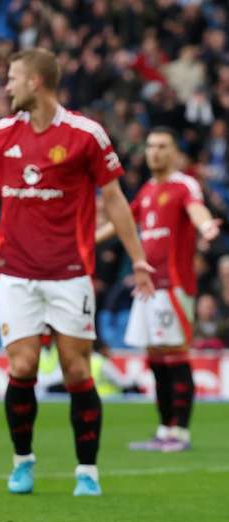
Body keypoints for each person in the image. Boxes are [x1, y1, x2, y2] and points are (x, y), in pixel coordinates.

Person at [0, 48, 154, 497]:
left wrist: (136, 259)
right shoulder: (0, 135)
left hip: (69, 272)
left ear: (36, 82)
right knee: (22, 366)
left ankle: (87, 470)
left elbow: (115, 201)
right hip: (14, 272)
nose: (6, 86)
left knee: (77, 370)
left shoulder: (86, 135)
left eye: (13, 78)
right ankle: (22, 462)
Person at [97, 127, 221, 452]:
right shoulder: (148, 190)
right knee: (155, 360)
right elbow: (123, 221)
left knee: (176, 357)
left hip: (174, 286)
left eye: (162, 146)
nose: (154, 152)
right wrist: (87, 242)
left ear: (174, 152)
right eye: (151, 146)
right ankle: (164, 429)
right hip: (148, 286)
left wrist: (205, 225)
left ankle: (181, 433)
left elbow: (196, 208)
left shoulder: (184, 185)